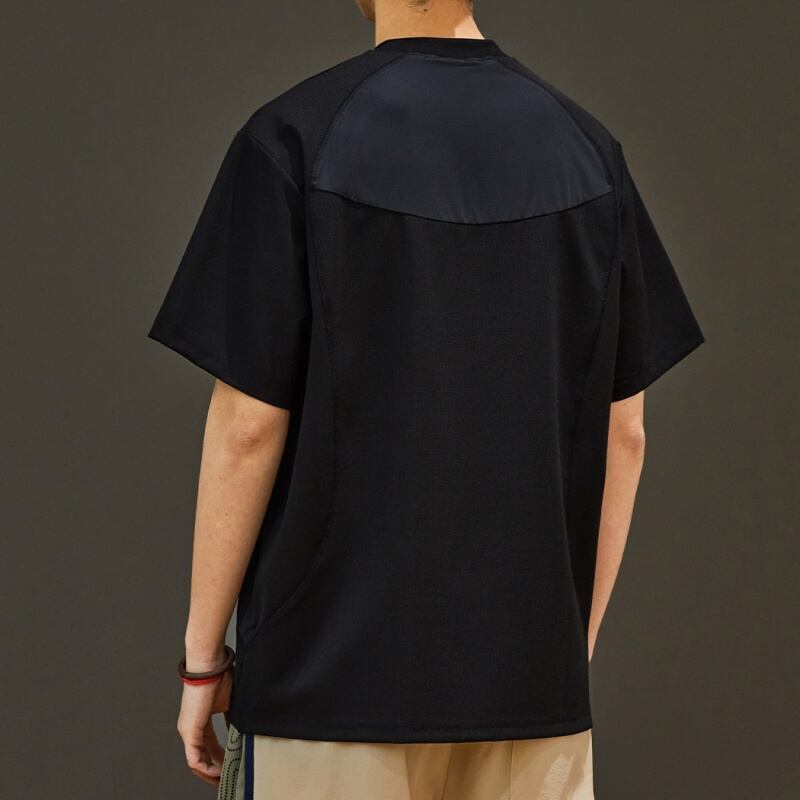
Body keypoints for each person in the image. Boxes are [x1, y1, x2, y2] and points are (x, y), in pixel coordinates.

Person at [148, 0, 704, 797]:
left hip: (326, 691)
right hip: (529, 697)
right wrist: (559, 655)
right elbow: (626, 433)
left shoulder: (296, 137)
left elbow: (247, 427)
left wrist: (203, 664)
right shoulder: (588, 153)